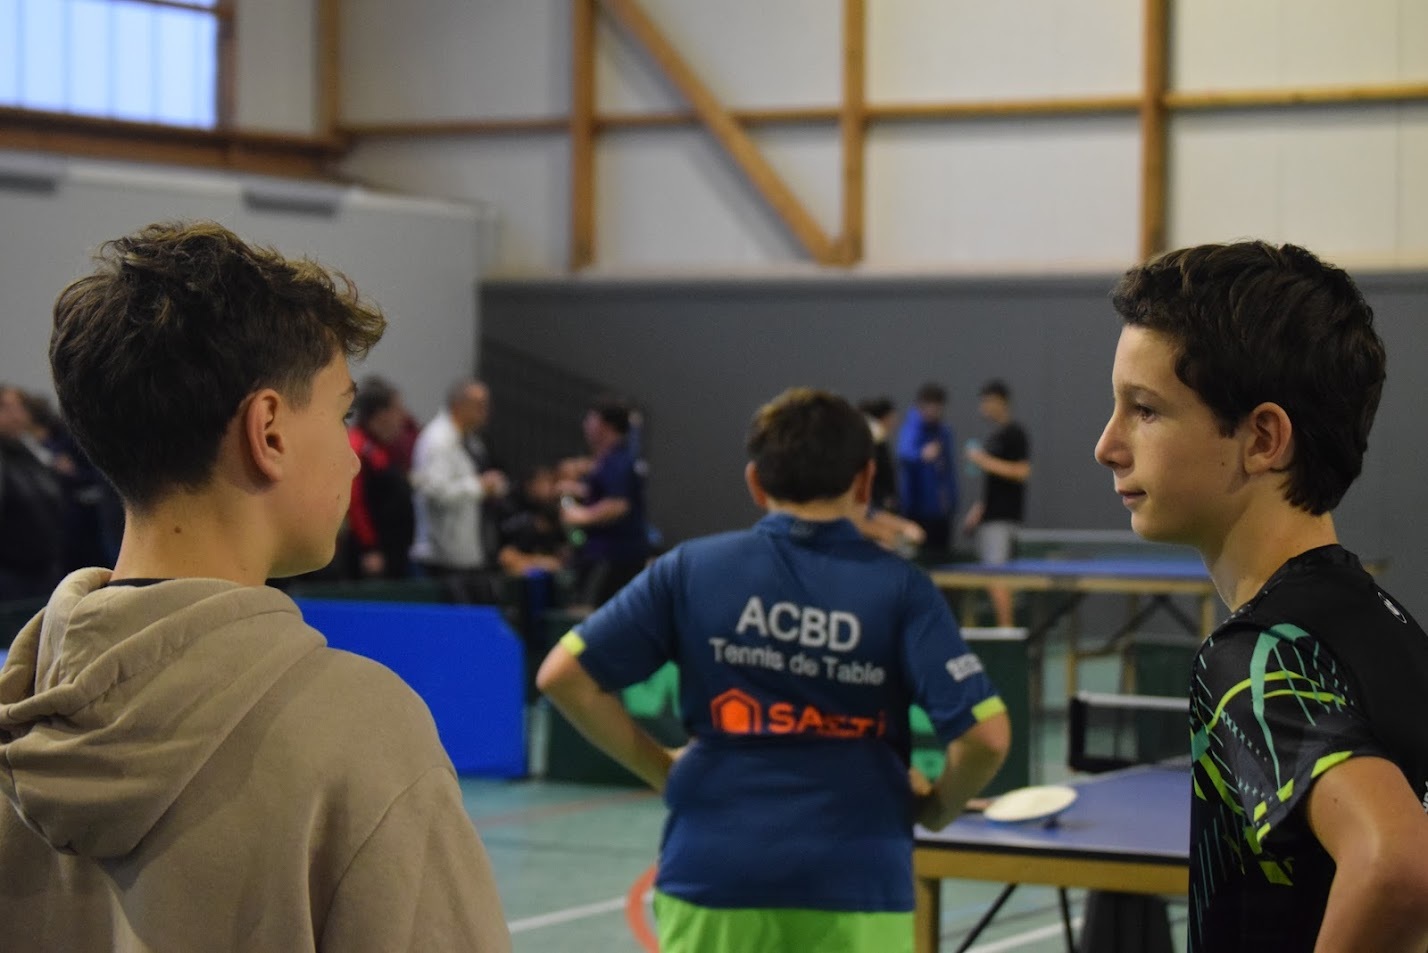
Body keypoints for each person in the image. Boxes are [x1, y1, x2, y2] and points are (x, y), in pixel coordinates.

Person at [0, 221, 510, 952]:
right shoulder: (362, 732)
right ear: (268, 431)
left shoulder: (22, 719)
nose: (354, 457)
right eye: (340, 414)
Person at [537, 387, 1010, 953]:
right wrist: (936, 809)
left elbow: (562, 676)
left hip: (711, 871)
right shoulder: (903, 589)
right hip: (857, 880)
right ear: (865, 482)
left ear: (755, 483)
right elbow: (985, 737)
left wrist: (663, 769)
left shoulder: (690, 569)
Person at [1093, 240, 1428, 953]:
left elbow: (1398, 866)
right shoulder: (1393, 625)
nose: (1108, 445)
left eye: (1144, 410)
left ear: (1263, 438)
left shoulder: (1254, 658)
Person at [410, 379, 509, 602]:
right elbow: (435, 492)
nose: (486, 411)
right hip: (442, 560)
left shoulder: (472, 441)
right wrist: (479, 486)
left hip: (469, 556)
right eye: (479, 405)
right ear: (458, 405)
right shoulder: (437, 441)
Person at [559, 398, 650, 608]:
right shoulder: (611, 459)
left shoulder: (618, 461)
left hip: (612, 556)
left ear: (604, 425)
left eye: (590, 419)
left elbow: (618, 505)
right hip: (611, 554)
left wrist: (581, 515)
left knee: (592, 612)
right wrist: (579, 490)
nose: (585, 425)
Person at [962, 379, 1031, 626]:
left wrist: (982, 460)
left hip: (1004, 519)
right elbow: (992, 486)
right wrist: (979, 510)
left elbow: (1022, 472)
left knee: (997, 576)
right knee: (994, 576)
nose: (984, 406)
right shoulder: (993, 436)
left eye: (988, 401)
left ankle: (1006, 632)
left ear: (1001, 402)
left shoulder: (1015, 434)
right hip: (989, 517)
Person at [345, 375, 416, 580]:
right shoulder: (358, 446)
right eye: (397, 409)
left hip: (393, 553)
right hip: (373, 559)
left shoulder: (382, 447)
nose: (402, 417)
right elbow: (355, 503)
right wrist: (369, 547)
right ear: (380, 414)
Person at [0, 384, 66, 599]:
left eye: (20, 407)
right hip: (12, 575)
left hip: (45, 568)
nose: (17, 415)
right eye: (7, 407)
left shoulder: (30, 450)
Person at [855, 397, 925, 555]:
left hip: (874, 506)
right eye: (892, 417)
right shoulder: (873, 439)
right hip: (872, 505)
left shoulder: (874, 438)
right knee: (910, 533)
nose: (895, 422)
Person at [896, 382, 957, 554]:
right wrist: (921, 455)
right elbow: (904, 454)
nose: (933, 412)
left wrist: (951, 502)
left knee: (940, 555)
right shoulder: (912, 428)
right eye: (929, 407)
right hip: (916, 511)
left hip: (942, 512)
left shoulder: (943, 432)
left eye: (937, 408)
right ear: (920, 406)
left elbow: (948, 471)